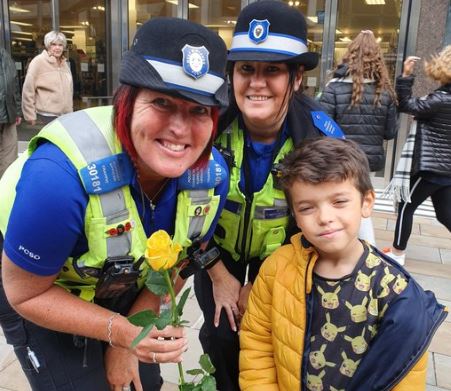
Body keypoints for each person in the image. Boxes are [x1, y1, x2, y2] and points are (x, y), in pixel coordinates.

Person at [0, 17, 229, 391]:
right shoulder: (57, 180)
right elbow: (25, 292)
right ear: (126, 101)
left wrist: (126, 339)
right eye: (161, 102)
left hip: (118, 279)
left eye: (199, 110)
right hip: (39, 280)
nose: (180, 128)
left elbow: (181, 260)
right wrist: (119, 331)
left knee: (144, 382)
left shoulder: (212, 176)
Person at [192, 2, 344, 390]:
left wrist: (260, 283)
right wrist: (220, 276)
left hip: (284, 256)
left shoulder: (320, 139)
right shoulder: (203, 124)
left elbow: (329, 231)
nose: (256, 83)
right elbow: (181, 212)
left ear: (296, 79)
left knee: (269, 343)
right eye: (246, 69)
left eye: (272, 70)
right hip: (214, 252)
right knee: (221, 337)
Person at [239, 137, 447, 390]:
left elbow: (404, 372)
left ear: (366, 202)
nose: (325, 218)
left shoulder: (397, 294)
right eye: (307, 208)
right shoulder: (276, 269)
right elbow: (257, 344)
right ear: (294, 214)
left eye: (339, 202)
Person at [319, 29, 398, 245]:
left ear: (350, 55)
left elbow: (321, 126)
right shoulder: (386, 92)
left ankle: (360, 250)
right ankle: (360, 249)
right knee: (358, 202)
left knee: (342, 202)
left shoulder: (333, 88)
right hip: (367, 161)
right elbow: (390, 133)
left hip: (339, 158)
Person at [384, 47, 451, 265]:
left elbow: (406, 105)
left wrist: (405, 76)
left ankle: (397, 253)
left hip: (430, 169)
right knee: (444, 215)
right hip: (447, 170)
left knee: (406, 206)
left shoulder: (440, 100)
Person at [21, 31, 73, 125]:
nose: (57, 48)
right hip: (46, 116)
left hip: (65, 116)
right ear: (48, 46)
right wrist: (30, 115)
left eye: (60, 45)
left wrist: (70, 110)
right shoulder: (38, 62)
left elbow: (70, 90)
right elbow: (28, 90)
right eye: (54, 44)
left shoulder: (64, 64)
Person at [0, 48, 22, 179]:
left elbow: (15, 86)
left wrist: (17, 110)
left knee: (10, 153)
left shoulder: (6, 56)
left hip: (9, 113)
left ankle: (5, 185)